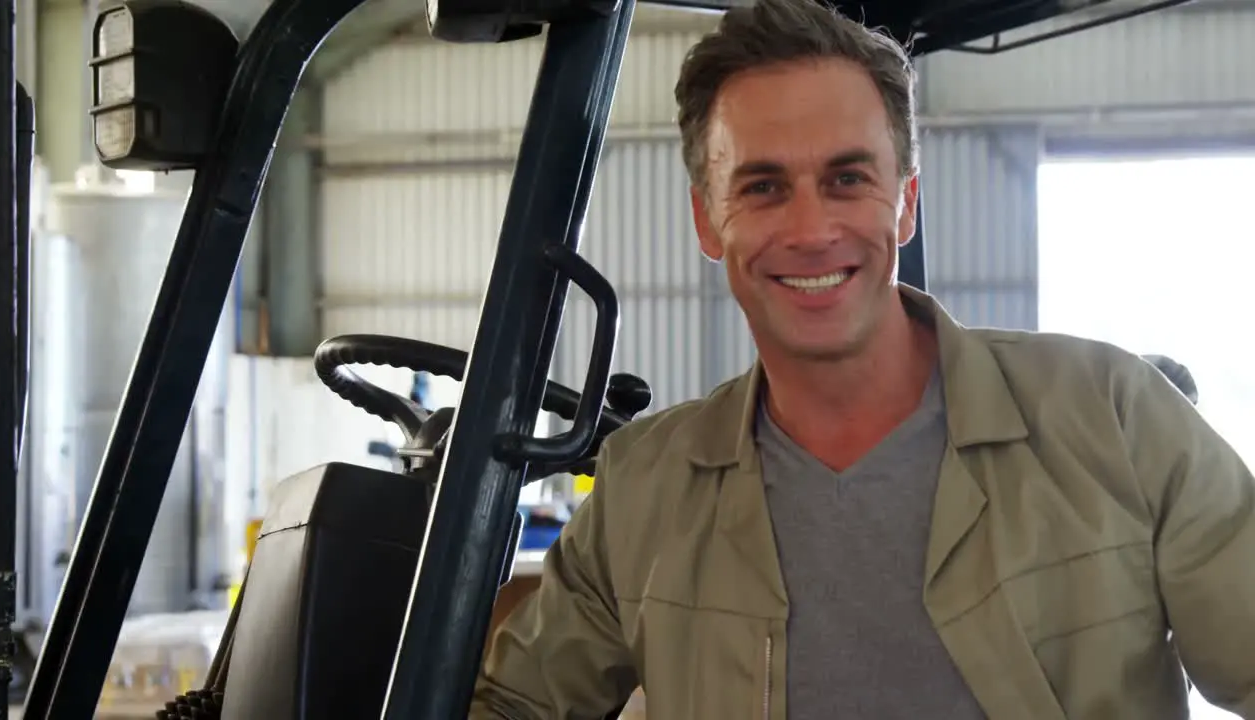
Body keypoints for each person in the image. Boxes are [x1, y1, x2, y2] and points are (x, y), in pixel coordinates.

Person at [469, 0, 1255, 716]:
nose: (812, 228)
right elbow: (516, 704)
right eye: (764, 187)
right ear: (707, 221)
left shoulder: (1114, 421)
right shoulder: (644, 490)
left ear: (906, 200)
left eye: (848, 178)